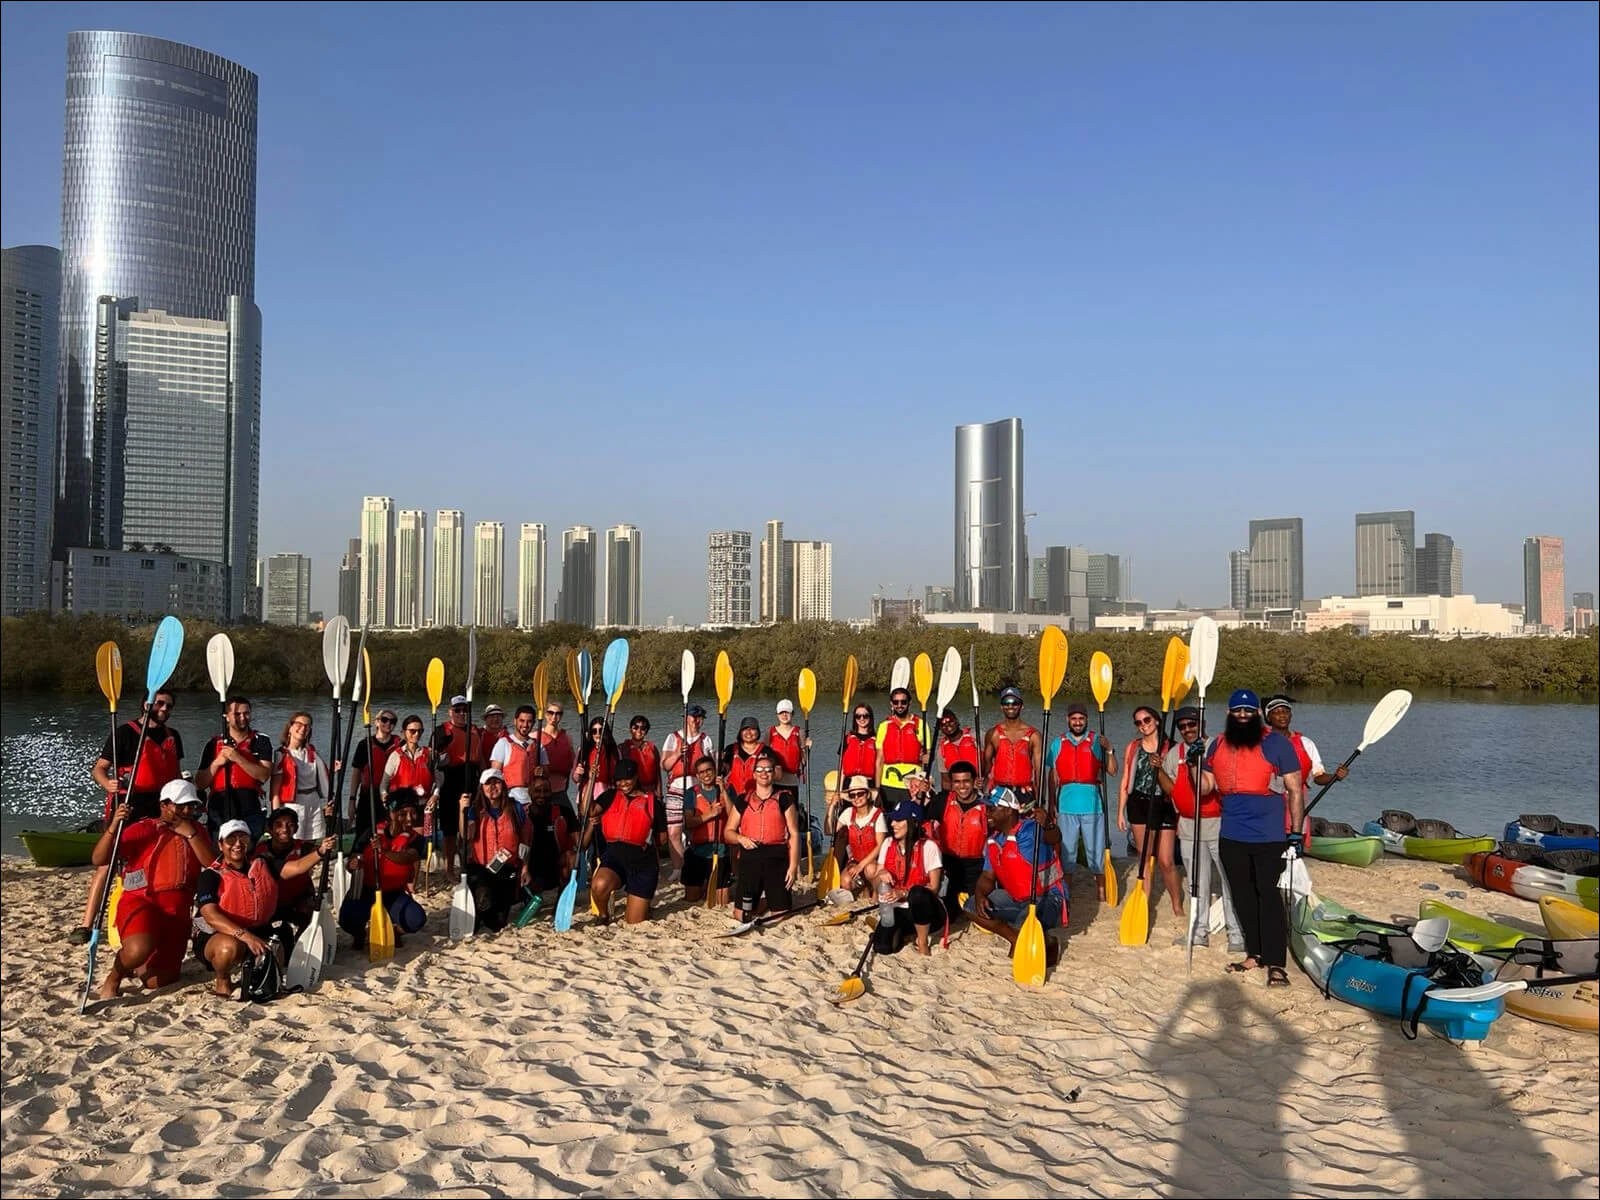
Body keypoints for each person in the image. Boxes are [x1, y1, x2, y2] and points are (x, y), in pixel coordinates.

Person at [1201, 689, 1306, 987]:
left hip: (1269, 836)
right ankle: (1254, 954)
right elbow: (1206, 786)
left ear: (1257, 714)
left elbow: (1295, 790)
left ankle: (1276, 964)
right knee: (1243, 898)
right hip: (1232, 834)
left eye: (1248, 711)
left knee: (1268, 897)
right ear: (1229, 713)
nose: (1243, 716)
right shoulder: (1217, 745)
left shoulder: (1277, 745)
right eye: (1238, 711)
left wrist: (1295, 833)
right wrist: (1194, 764)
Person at [74, 688, 188, 945]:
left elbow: (176, 772)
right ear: (146, 704)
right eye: (159, 704)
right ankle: (85, 924)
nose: (164, 709)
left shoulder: (173, 736)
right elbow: (99, 769)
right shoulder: (125, 733)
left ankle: (147, 911)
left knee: (153, 859)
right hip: (128, 802)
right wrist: (109, 785)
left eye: (169, 706)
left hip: (161, 804)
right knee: (108, 863)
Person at [89, 779, 214, 1001]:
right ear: (164, 805)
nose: (187, 811)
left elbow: (211, 863)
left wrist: (190, 833)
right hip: (142, 901)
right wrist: (114, 826)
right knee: (138, 949)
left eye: (191, 806)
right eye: (181, 805)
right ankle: (114, 977)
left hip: (177, 910)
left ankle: (137, 963)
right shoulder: (144, 828)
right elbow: (99, 858)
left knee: (157, 982)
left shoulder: (197, 831)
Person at [1159, 706, 1242, 952]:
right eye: (1182, 726)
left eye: (1191, 724)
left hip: (1218, 822)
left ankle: (1236, 934)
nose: (1187, 730)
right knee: (1197, 883)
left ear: (1201, 723)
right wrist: (1158, 769)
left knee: (1229, 881)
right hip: (1188, 825)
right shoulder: (1175, 753)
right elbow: (1171, 788)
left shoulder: (1217, 746)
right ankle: (1198, 931)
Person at [192, 819, 291, 998]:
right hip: (216, 935)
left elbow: (296, 868)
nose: (237, 844)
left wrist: (321, 851)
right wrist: (247, 937)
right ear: (220, 845)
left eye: (243, 838)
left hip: (255, 928)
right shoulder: (210, 875)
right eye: (231, 839)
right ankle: (222, 980)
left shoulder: (261, 865)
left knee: (277, 948)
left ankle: (257, 976)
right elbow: (210, 915)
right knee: (228, 948)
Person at [966, 787, 1068, 959]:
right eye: (986, 809)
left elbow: (1054, 838)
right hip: (1016, 897)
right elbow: (987, 876)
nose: (987, 813)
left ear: (1007, 810)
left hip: (1048, 897)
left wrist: (1048, 824)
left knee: (1025, 925)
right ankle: (1014, 938)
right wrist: (980, 894)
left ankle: (1049, 942)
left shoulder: (1031, 830)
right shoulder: (994, 841)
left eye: (992, 809)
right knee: (970, 906)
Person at [582, 759, 666, 925]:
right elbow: (588, 811)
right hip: (615, 860)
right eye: (619, 780)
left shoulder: (653, 802)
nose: (623, 783)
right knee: (598, 885)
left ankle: (643, 903)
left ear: (636, 777)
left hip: (642, 865)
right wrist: (591, 780)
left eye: (627, 779)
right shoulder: (610, 796)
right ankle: (604, 915)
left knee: (633, 922)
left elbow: (662, 838)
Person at [1049, 701, 1118, 898]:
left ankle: (1101, 891)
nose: (1077, 722)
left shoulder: (1098, 741)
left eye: (1081, 719)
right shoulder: (1058, 743)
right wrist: (1052, 803)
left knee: (1096, 851)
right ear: (1068, 720)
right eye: (1074, 719)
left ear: (1086, 720)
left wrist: (1110, 750)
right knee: (1067, 851)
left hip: (1093, 806)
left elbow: (1112, 771)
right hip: (1066, 805)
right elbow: (1053, 776)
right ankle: (1067, 891)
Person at [1119, 704, 1181, 917]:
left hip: (1163, 805)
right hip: (1138, 804)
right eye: (1138, 722)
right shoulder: (1133, 747)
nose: (1143, 725)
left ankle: (1177, 904)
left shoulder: (1171, 746)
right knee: (1144, 856)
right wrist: (1120, 812)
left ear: (1156, 720)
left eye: (1146, 720)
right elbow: (1126, 779)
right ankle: (1144, 902)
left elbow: (1177, 785)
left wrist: (1161, 767)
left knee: (1166, 860)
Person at [340, 797, 427, 948]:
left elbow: (407, 857)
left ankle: (396, 932)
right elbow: (353, 858)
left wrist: (384, 851)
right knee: (347, 919)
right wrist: (353, 864)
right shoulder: (371, 832)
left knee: (416, 919)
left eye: (413, 814)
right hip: (366, 890)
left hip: (394, 893)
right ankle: (360, 934)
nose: (409, 819)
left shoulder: (416, 839)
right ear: (392, 814)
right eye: (403, 814)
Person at [725, 754, 801, 921]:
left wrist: (793, 867)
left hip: (776, 856)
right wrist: (741, 838)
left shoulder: (784, 798)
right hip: (750, 856)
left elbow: (794, 834)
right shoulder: (742, 800)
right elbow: (728, 832)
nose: (764, 773)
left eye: (768, 770)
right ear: (754, 774)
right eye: (759, 770)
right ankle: (763, 901)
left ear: (774, 774)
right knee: (741, 915)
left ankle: (770, 899)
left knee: (781, 917)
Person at [864, 800, 945, 956]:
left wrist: (903, 893)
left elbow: (934, 888)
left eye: (899, 820)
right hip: (897, 910)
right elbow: (875, 885)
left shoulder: (929, 847)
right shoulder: (888, 843)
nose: (893, 824)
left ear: (912, 822)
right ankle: (904, 933)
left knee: (917, 893)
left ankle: (922, 942)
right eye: (892, 819)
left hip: (925, 910)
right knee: (882, 947)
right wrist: (880, 874)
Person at [1262, 694, 1347, 841]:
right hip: (1267, 812)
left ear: (1291, 715)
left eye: (1285, 711)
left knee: (1294, 856)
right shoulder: (1260, 742)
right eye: (1276, 712)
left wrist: (1335, 776)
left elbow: (1318, 776)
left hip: (1297, 813)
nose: (1282, 716)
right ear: (1268, 718)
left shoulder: (1306, 743)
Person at [463, 768, 532, 932]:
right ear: (482, 787)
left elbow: (525, 841)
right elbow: (466, 835)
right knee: (484, 901)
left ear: (503, 785)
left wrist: (525, 868)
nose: (492, 787)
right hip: (482, 869)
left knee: (497, 923)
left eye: (496, 782)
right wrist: (462, 810)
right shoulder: (474, 810)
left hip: (506, 868)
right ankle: (478, 909)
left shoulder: (516, 809)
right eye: (488, 783)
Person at [195, 697, 273, 841]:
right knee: (220, 848)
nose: (243, 718)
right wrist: (217, 762)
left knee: (249, 848)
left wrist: (237, 757)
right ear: (227, 717)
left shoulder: (261, 741)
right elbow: (200, 783)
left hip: (250, 804)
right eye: (237, 714)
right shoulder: (213, 744)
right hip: (219, 806)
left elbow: (263, 775)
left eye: (246, 713)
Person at [257, 807, 335, 938]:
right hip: (271, 903)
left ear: (297, 828)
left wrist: (328, 844)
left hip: (298, 900)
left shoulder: (304, 847)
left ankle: (301, 940)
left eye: (290, 825)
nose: (285, 829)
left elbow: (327, 852)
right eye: (278, 825)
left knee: (311, 908)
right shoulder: (261, 852)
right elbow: (293, 869)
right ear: (269, 829)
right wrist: (321, 852)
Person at [930, 760, 989, 922]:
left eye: (966, 781)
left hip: (975, 866)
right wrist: (920, 794)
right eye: (957, 781)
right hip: (949, 864)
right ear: (951, 782)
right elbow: (921, 820)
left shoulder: (987, 806)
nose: (962, 786)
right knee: (947, 915)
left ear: (974, 781)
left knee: (981, 913)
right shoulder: (942, 801)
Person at [662, 704, 716, 881]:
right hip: (677, 787)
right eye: (694, 717)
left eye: (700, 718)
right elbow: (665, 765)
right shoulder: (673, 737)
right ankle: (678, 867)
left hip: (696, 788)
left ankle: (696, 864)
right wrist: (678, 753)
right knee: (674, 832)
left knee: (695, 829)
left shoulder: (705, 740)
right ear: (686, 718)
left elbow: (712, 764)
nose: (697, 721)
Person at [432, 695, 484, 876]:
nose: (462, 713)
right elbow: (436, 760)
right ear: (450, 712)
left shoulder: (475, 730)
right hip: (450, 780)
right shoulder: (441, 730)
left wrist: (483, 780)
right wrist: (441, 750)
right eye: (457, 710)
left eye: (465, 710)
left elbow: (481, 758)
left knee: (469, 825)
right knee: (449, 828)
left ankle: (465, 865)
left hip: (471, 779)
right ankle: (448, 869)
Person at [270, 712, 332, 844]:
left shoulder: (312, 753)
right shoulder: (281, 755)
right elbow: (275, 791)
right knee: (294, 840)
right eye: (299, 724)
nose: (303, 728)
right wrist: (276, 816)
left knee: (312, 841)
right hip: (294, 804)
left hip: (313, 801)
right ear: (290, 727)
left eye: (307, 726)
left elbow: (321, 776)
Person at [681, 756, 733, 906]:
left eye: (709, 770)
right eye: (702, 772)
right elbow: (688, 823)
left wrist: (723, 791)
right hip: (698, 852)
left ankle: (714, 884)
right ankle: (703, 885)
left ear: (715, 771)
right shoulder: (691, 793)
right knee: (692, 898)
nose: (706, 775)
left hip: (720, 850)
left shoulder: (727, 789)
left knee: (722, 902)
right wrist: (709, 814)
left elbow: (733, 816)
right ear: (697, 776)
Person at [825, 774, 886, 895]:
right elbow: (829, 831)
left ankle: (873, 890)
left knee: (870, 869)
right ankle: (864, 887)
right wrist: (831, 806)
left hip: (874, 861)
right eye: (853, 795)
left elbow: (880, 845)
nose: (856, 798)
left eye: (860, 794)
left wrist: (861, 866)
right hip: (855, 860)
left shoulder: (878, 815)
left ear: (868, 795)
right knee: (845, 882)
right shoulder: (848, 813)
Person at [346, 709, 400, 841]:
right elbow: (356, 772)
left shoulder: (400, 744)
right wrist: (352, 799)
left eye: (392, 721)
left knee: (390, 832)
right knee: (364, 832)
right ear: (376, 722)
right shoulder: (364, 745)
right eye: (384, 720)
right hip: (368, 794)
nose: (388, 723)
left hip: (391, 795)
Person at [876, 686, 931, 810]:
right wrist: (877, 788)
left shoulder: (921, 724)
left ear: (909, 703)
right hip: (888, 784)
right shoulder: (884, 726)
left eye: (903, 702)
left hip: (912, 785)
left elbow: (928, 755)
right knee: (890, 822)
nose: (899, 705)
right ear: (891, 704)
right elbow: (879, 760)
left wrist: (927, 759)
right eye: (896, 702)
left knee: (910, 822)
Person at [381, 715, 439, 829]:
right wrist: (387, 801)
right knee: (402, 843)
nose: (416, 734)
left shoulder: (429, 754)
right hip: (401, 811)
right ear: (404, 732)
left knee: (425, 840)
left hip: (424, 808)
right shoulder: (395, 756)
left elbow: (438, 780)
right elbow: (384, 785)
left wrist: (435, 795)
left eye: (420, 731)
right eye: (412, 731)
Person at [984, 686, 1040, 802]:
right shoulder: (993, 733)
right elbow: (986, 767)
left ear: (1021, 706)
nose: (1010, 706)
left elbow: (1039, 771)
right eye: (1006, 703)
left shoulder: (1033, 735)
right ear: (1001, 706)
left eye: (1015, 703)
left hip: (1025, 792)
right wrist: (979, 784)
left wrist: (1041, 800)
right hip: (999, 791)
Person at [489, 705, 549, 809]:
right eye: (522, 721)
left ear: (534, 723)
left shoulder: (538, 746)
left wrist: (542, 772)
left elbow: (547, 773)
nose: (525, 725)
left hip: (534, 799)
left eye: (529, 721)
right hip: (511, 798)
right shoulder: (503, 744)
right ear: (515, 721)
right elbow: (494, 775)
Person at [523, 773, 575, 893]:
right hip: (531, 867)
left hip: (555, 865)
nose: (542, 795)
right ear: (530, 793)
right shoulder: (522, 814)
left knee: (572, 857)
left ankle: (563, 893)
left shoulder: (563, 811)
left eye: (546, 791)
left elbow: (581, 843)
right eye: (537, 791)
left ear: (551, 792)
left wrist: (592, 823)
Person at [537, 699, 577, 811]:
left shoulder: (567, 738)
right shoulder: (536, 736)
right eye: (550, 713)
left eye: (558, 713)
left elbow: (573, 765)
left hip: (561, 792)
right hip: (541, 793)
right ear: (545, 714)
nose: (554, 717)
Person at [935, 709, 981, 793]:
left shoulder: (976, 736)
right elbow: (946, 781)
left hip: (981, 788)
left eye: (950, 721)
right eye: (943, 724)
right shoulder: (942, 750)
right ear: (940, 728)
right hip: (961, 792)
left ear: (956, 721)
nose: (947, 725)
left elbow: (991, 761)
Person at [766, 699, 808, 787]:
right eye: (781, 712)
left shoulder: (800, 732)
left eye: (787, 712)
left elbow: (804, 760)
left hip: (792, 781)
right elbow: (762, 754)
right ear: (777, 715)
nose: (784, 715)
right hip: (774, 780)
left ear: (792, 714)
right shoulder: (770, 732)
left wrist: (807, 748)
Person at [619, 715, 662, 798]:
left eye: (643, 728)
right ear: (630, 729)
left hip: (651, 791)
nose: (639, 731)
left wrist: (659, 794)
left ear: (646, 731)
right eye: (635, 727)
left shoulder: (652, 748)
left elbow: (658, 773)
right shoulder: (623, 748)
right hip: (632, 791)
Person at [722, 717, 767, 796]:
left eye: (752, 729)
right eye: (745, 729)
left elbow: (777, 774)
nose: (749, 732)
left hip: (756, 795)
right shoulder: (730, 749)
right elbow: (723, 771)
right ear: (740, 732)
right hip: (733, 794)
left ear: (758, 732)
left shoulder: (766, 751)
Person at [840, 703, 879, 792]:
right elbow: (842, 767)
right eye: (858, 716)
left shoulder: (877, 740)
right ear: (855, 718)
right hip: (849, 784)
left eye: (865, 716)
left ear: (870, 717)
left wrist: (877, 789)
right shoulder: (847, 738)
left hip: (869, 784)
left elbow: (880, 765)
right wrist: (838, 790)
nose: (862, 719)